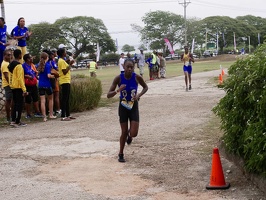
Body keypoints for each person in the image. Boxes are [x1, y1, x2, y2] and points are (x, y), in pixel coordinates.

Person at [107, 59, 148, 163]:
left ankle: (130, 136)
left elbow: (145, 87)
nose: (129, 69)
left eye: (131, 67)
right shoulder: (118, 78)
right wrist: (117, 90)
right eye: (127, 67)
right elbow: (108, 95)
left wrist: (138, 95)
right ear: (123, 67)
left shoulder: (137, 77)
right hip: (123, 106)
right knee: (124, 131)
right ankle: (121, 153)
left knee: (134, 133)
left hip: (133, 106)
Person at [8, 49, 28, 127]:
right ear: (19, 55)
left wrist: (11, 84)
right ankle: (17, 120)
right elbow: (20, 78)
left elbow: (11, 76)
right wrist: (24, 89)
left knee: (15, 104)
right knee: (19, 105)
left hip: (13, 86)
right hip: (18, 87)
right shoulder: (19, 66)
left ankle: (13, 120)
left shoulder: (11, 64)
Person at [37, 52, 57, 122]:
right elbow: (48, 75)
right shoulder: (48, 65)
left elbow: (37, 74)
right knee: (50, 99)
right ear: (47, 58)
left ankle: (44, 117)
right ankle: (51, 114)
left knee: (42, 101)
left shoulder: (39, 65)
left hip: (40, 84)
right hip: (47, 84)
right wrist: (53, 76)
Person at [57, 48, 75, 121]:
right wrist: (70, 64)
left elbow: (65, 65)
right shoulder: (61, 61)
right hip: (64, 81)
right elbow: (64, 71)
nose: (66, 53)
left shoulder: (62, 61)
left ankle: (68, 115)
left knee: (67, 99)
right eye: (65, 52)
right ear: (62, 53)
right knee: (64, 99)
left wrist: (68, 62)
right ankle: (63, 116)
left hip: (66, 81)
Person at [22, 53, 42, 118]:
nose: (32, 58)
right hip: (27, 85)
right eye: (30, 57)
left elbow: (35, 72)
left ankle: (37, 112)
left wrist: (36, 74)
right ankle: (28, 114)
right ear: (27, 59)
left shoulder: (32, 65)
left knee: (35, 99)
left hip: (34, 84)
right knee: (28, 100)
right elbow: (21, 75)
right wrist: (27, 76)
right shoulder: (23, 66)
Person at [1, 49, 13, 123]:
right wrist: (11, 84)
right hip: (8, 84)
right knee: (8, 100)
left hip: (9, 84)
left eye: (10, 55)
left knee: (10, 100)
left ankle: (10, 116)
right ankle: (9, 117)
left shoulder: (8, 63)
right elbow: (6, 76)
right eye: (8, 55)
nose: (10, 56)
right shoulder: (5, 64)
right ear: (4, 55)